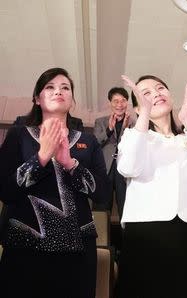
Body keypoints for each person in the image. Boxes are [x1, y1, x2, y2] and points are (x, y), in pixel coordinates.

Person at [0, 67, 108, 297]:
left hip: (78, 247)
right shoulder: (18, 135)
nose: (58, 91)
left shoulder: (88, 142)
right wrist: (41, 158)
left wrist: (70, 164)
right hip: (25, 246)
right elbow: (6, 191)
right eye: (50, 87)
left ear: (72, 100)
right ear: (37, 99)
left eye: (65, 87)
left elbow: (103, 195)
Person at [115, 74, 187, 297]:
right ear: (137, 108)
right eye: (145, 93)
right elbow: (128, 168)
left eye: (160, 88)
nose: (156, 94)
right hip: (147, 233)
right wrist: (144, 116)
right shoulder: (133, 136)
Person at [93, 87, 135, 218]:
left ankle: (128, 237)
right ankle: (102, 238)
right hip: (105, 169)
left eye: (123, 101)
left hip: (124, 169)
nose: (119, 104)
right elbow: (95, 144)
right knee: (102, 208)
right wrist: (109, 129)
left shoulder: (133, 123)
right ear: (110, 103)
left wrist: (126, 129)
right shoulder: (100, 122)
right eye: (116, 101)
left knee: (126, 207)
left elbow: (134, 147)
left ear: (127, 103)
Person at [14, 113, 84, 131]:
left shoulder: (77, 124)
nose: (57, 92)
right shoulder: (21, 122)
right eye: (50, 87)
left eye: (65, 88)